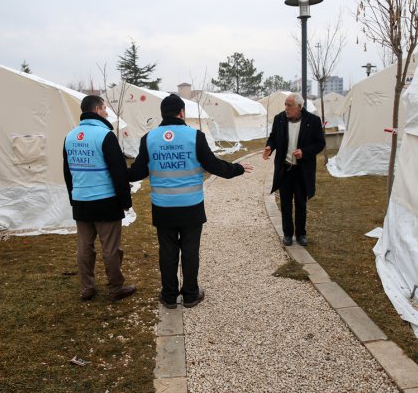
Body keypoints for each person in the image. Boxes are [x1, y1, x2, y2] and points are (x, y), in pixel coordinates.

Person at [128, 94, 253, 309]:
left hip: (163, 206)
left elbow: (137, 172)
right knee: (190, 250)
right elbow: (213, 165)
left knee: (167, 251)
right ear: (182, 113)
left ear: (162, 113)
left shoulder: (149, 139)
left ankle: (169, 296)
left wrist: (114, 171)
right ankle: (190, 295)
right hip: (191, 206)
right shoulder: (195, 136)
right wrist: (237, 169)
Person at [63, 95, 136, 302]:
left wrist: (73, 198)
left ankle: (87, 288)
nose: (106, 112)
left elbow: (67, 172)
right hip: (105, 201)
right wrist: (125, 202)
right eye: (104, 108)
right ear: (97, 110)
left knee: (84, 247)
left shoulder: (69, 136)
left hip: (81, 201)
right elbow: (118, 172)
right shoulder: (105, 136)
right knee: (111, 248)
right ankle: (115, 288)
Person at [262, 93, 325, 246]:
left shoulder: (313, 121)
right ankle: (288, 234)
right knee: (285, 203)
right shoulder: (280, 119)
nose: (286, 108)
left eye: (289, 105)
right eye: (285, 105)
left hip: (302, 170)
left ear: (299, 106)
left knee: (301, 203)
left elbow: (319, 143)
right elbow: (273, 137)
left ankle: (301, 234)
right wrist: (270, 146)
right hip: (285, 169)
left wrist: (304, 152)